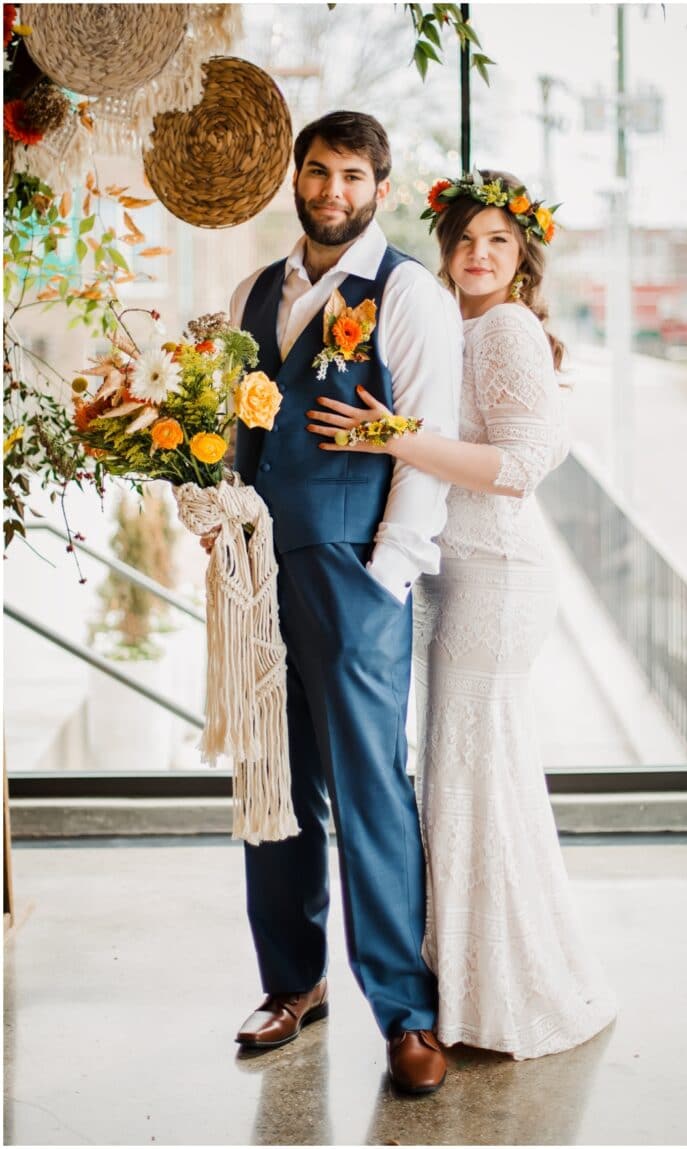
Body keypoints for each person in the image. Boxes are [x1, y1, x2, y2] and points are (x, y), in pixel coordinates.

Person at [307, 170, 618, 1057]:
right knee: (455, 776)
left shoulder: (510, 328)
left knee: (475, 777)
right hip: (448, 573)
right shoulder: (450, 323)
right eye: (466, 240)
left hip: (498, 577)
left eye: (500, 243)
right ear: (444, 246)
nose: (478, 256)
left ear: (522, 259)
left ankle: (503, 993)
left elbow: (521, 464)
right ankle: (464, 976)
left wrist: (386, 435)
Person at [218, 111, 462, 1094]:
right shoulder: (249, 293)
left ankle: (405, 1012)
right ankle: (291, 984)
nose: (331, 191)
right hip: (256, 577)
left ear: (378, 184)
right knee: (271, 785)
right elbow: (232, 431)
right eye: (317, 172)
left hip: (356, 573)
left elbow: (427, 441)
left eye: (351, 176)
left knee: (370, 795)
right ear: (296, 176)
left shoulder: (408, 293)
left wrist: (386, 572)